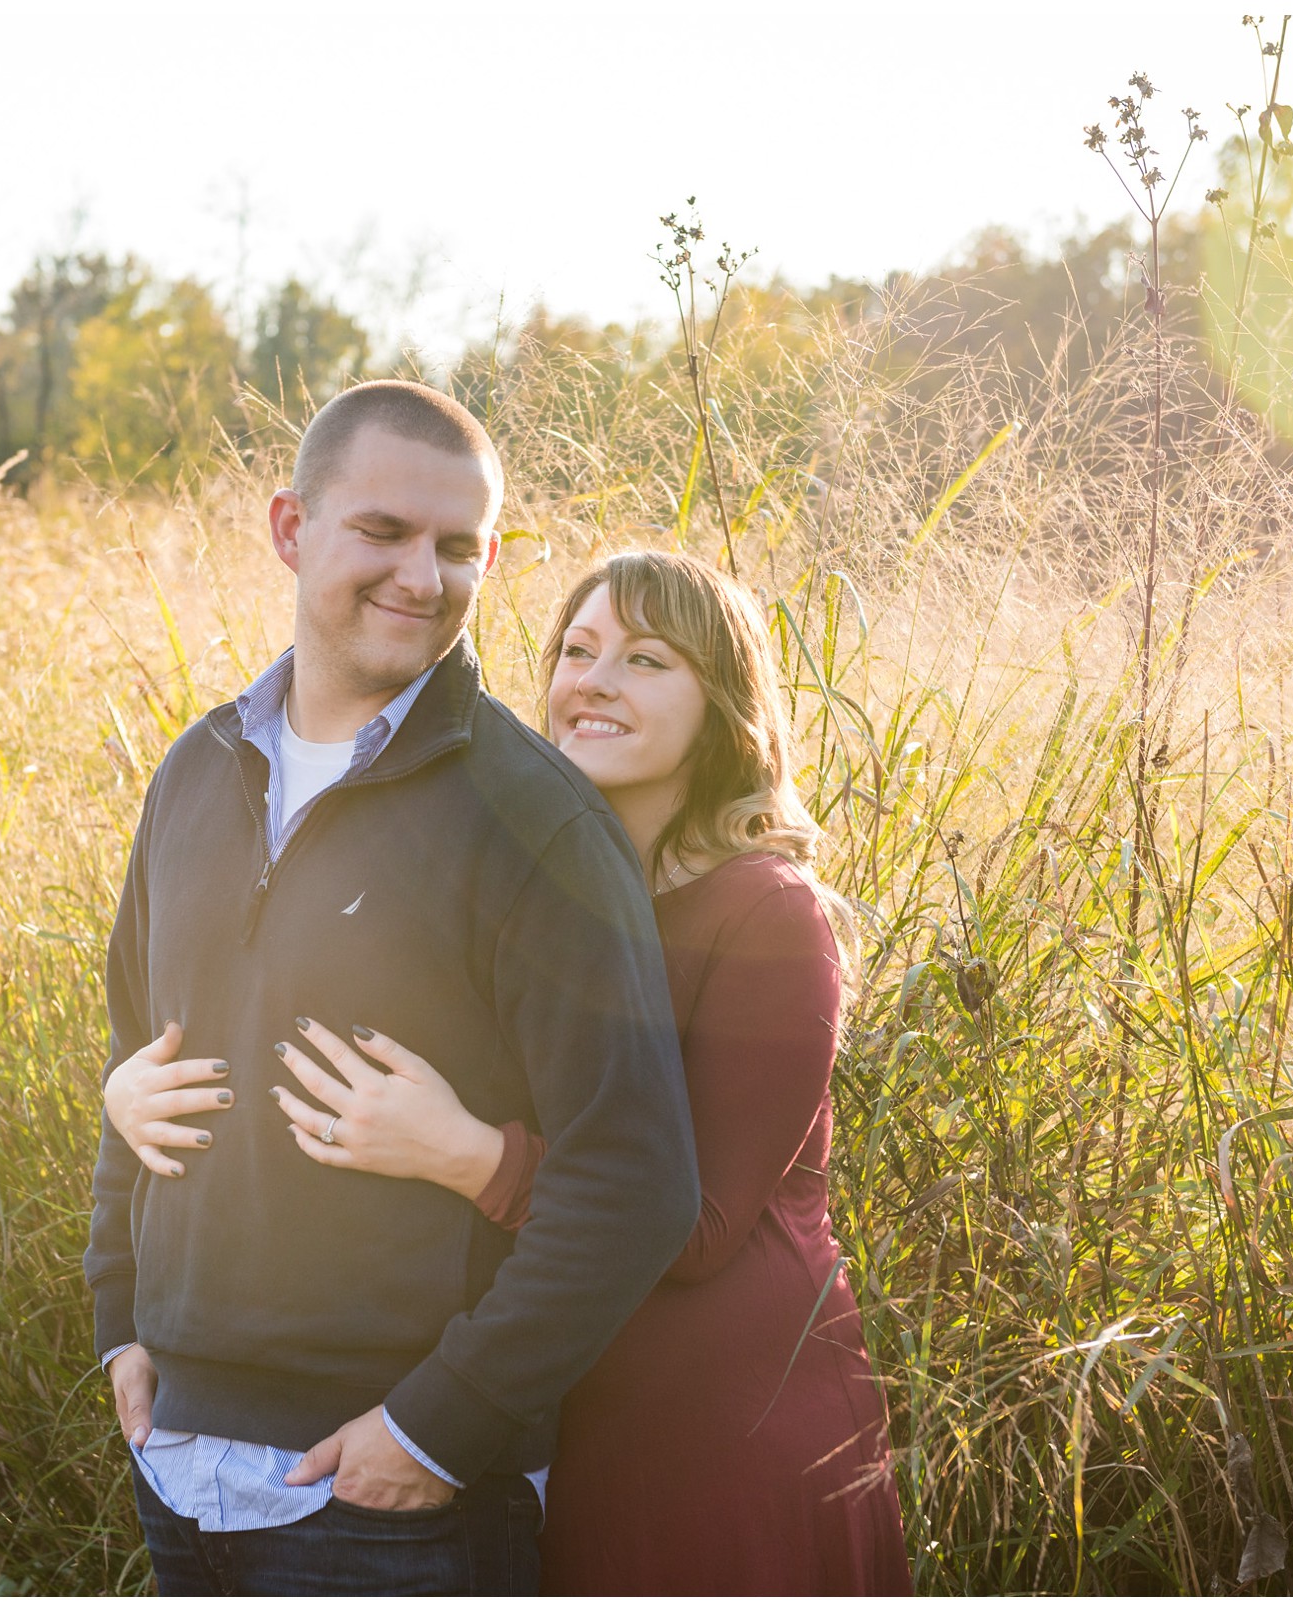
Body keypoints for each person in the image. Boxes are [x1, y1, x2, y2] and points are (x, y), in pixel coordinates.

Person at [108, 550, 917, 1595]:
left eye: (646, 659)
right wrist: (127, 1092)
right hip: (553, 1393)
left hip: (714, 1412)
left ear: (722, 707)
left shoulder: (766, 912)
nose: (595, 680)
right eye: (577, 650)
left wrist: (473, 1156)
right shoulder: (529, 868)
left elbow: (699, 1220)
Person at [83, 381, 701, 1596]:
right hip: (180, 1464)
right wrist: (120, 1319)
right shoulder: (194, 775)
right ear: (290, 528)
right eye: (385, 532)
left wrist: (439, 1425)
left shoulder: (532, 820)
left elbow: (637, 1180)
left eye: (459, 547)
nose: (424, 576)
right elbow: (131, 1071)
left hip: (395, 1508)